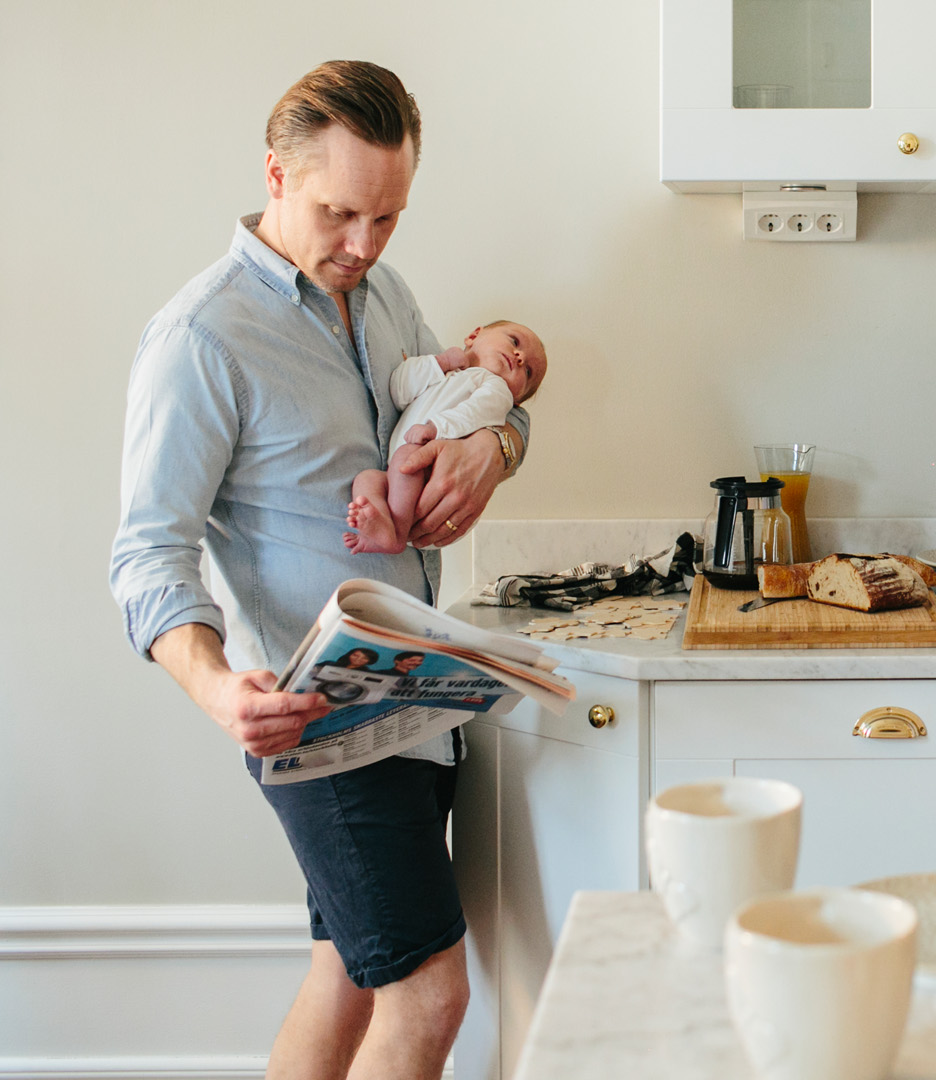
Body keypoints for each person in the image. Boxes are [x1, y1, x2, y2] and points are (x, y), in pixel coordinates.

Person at [109, 61, 532, 1078]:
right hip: (323, 729)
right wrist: (215, 689)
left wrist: (496, 445)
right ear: (275, 175)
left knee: (346, 971)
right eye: (343, 213)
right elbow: (144, 556)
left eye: (388, 217)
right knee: (431, 998)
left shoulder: (386, 296)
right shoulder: (200, 339)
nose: (364, 246)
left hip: (418, 703)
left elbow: (466, 409)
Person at [345, 319, 546, 554]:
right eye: (514, 341)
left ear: (517, 399)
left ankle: (397, 535)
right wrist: (439, 363)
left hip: (434, 478)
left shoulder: (496, 389)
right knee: (367, 479)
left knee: (406, 458)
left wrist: (436, 427)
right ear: (474, 335)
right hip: (398, 480)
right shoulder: (444, 371)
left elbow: (474, 413)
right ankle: (381, 525)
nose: (520, 356)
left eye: (529, 372)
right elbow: (399, 390)